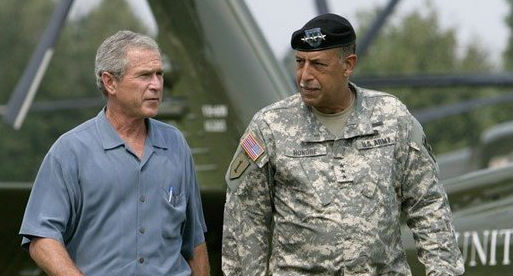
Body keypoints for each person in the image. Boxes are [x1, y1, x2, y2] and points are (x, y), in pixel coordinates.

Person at [222, 14, 464, 276]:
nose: (304, 76)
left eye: (318, 65)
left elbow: (428, 204)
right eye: (299, 62)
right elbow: (245, 219)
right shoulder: (269, 127)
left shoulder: (392, 118)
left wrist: (443, 271)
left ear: (348, 65)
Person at [19, 30, 210, 276]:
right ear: (110, 82)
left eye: (159, 74)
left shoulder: (176, 145)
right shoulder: (70, 151)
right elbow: (41, 238)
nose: (156, 85)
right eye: (144, 76)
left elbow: (194, 240)